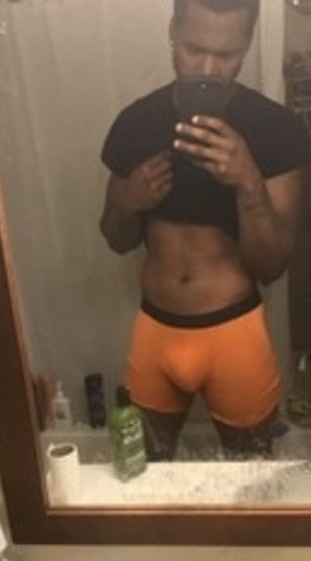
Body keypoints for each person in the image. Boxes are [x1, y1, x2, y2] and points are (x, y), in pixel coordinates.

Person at [99, 0, 311, 460]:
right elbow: (116, 238)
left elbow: (272, 266)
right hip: (156, 331)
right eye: (195, 49)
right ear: (173, 31)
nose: (209, 69)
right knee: (140, 472)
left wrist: (248, 181)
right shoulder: (136, 123)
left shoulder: (277, 130)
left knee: (252, 480)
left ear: (247, 44)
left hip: (233, 334)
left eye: (227, 54)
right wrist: (129, 200)